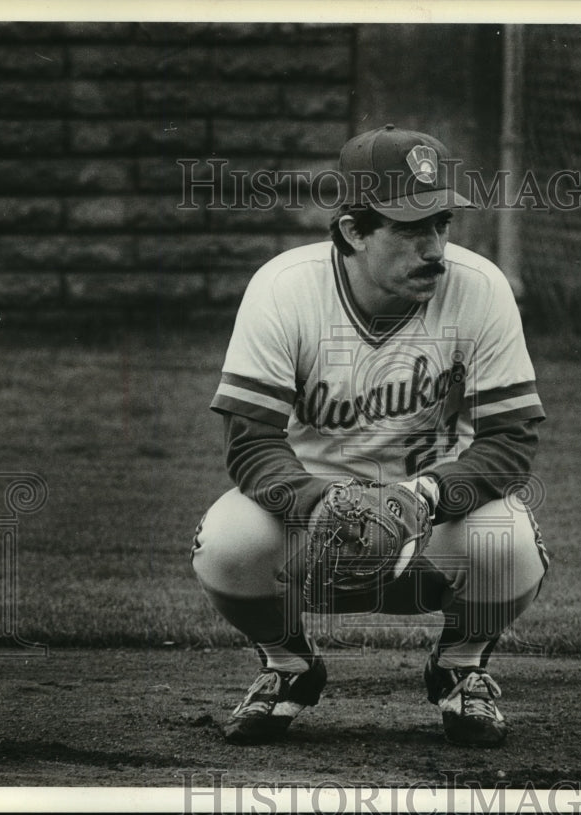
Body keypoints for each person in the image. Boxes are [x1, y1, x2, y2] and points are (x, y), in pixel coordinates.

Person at [191, 124, 548, 748]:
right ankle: (289, 667)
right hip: (311, 531)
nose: (435, 248)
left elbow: (510, 439)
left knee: (508, 542)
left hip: (436, 523)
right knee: (227, 541)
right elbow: (250, 440)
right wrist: (319, 504)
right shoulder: (284, 288)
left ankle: (460, 669)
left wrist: (423, 497)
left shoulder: (481, 288)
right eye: (410, 230)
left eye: (441, 223)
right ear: (354, 231)